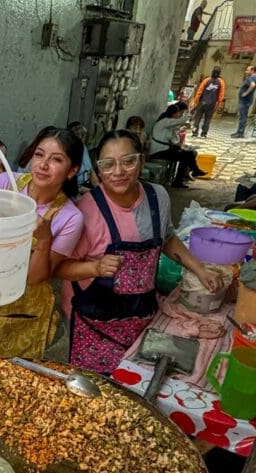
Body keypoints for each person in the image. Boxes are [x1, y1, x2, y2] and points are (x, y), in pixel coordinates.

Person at [57, 130, 222, 375]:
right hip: (93, 324)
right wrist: (96, 267)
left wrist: (199, 269)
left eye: (128, 161)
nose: (118, 171)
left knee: (136, 382)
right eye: (108, 164)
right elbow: (60, 267)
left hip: (141, 315)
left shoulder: (158, 198)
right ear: (98, 170)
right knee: (95, 390)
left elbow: (167, 239)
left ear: (141, 160)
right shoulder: (85, 212)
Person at [0, 126, 84, 359]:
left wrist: (45, 239)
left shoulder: (70, 217)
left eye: (56, 159)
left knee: (12, 380)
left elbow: (36, 277)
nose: (43, 165)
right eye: (39, 154)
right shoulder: (6, 184)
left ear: (72, 170)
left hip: (23, 312)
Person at [150, 102, 207, 188]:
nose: (181, 115)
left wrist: (181, 143)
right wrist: (189, 114)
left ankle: (188, 174)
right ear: (176, 113)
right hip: (158, 151)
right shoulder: (165, 121)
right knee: (186, 156)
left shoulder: (170, 124)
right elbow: (181, 120)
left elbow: (175, 140)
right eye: (181, 113)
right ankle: (182, 178)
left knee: (189, 153)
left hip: (165, 149)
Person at [190, 66, 225, 138]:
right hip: (211, 104)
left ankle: (194, 133)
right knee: (207, 119)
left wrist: (195, 101)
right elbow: (221, 95)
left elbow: (199, 91)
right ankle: (203, 134)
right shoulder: (221, 82)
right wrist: (218, 104)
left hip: (202, 102)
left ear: (212, 72)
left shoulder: (206, 80)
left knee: (197, 118)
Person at [67, 121, 99, 191]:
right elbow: (67, 185)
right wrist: (89, 191)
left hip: (87, 185)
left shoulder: (84, 148)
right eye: (78, 136)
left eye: (83, 135)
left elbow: (91, 171)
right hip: (76, 189)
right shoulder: (68, 154)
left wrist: (98, 189)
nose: (81, 139)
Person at [231, 65, 256, 139]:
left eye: (248, 70)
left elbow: (253, 85)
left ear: (252, 71)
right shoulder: (254, 77)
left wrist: (246, 93)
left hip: (245, 100)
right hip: (247, 100)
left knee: (242, 117)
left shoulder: (251, 78)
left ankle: (240, 133)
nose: (246, 72)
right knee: (243, 117)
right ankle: (239, 132)